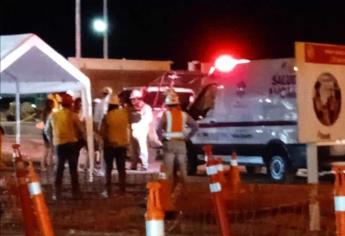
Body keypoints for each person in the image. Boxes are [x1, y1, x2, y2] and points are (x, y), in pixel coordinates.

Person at [45, 93, 86, 199]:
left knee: (59, 168)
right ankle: (75, 192)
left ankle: (56, 193)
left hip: (59, 144)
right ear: (71, 104)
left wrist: (52, 140)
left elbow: (46, 130)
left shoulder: (53, 115)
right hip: (72, 144)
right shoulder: (73, 115)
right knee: (73, 169)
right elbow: (82, 130)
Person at [156, 89, 198, 191]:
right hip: (181, 144)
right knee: (183, 169)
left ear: (167, 104)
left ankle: (167, 193)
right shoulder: (184, 115)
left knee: (169, 171)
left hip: (169, 144)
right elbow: (195, 126)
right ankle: (185, 192)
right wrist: (187, 137)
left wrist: (161, 139)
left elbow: (158, 129)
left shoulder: (166, 115)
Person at [99, 95, 130, 197]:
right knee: (121, 169)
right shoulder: (124, 114)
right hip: (122, 145)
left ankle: (108, 190)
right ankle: (122, 190)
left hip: (110, 145)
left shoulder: (107, 116)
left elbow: (102, 131)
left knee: (108, 168)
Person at [129, 89, 153, 171]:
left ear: (138, 99)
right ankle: (134, 165)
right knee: (133, 150)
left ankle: (144, 165)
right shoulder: (132, 108)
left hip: (141, 131)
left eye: (133, 99)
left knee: (142, 148)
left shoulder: (146, 108)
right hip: (133, 131)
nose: (132, 101)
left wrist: (140, 119)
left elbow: (149, 119)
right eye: (131, 99)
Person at [93, 86, 113, 176]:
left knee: (103, 150)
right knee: (110, 150)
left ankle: (103, 169)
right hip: (111, 128)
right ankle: (108, 169)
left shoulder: (100, 104)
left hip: (102, 128)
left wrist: (97, 130)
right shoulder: (111, 103)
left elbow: (96, 119)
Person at [40, 97, 55, 171]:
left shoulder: (44, 112)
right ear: (50, 104)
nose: (54, 105)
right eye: (53, 104)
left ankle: (45, 164)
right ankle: (46, 165)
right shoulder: (50, 113)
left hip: (45, 132)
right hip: (49, 132)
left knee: (48, 149)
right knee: (49, 149)